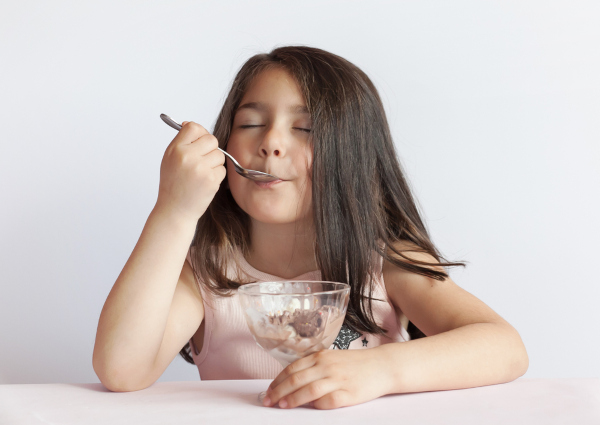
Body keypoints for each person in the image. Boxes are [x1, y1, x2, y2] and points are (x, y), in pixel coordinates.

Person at [93, 46, 528, 410]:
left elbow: (504, 347)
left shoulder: (384, 261)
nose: (271, 142)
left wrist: (381, 369)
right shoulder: (207, 271)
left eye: (304, 128)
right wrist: (173, 211)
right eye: (250, 124)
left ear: (353, 159)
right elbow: (121, 369)